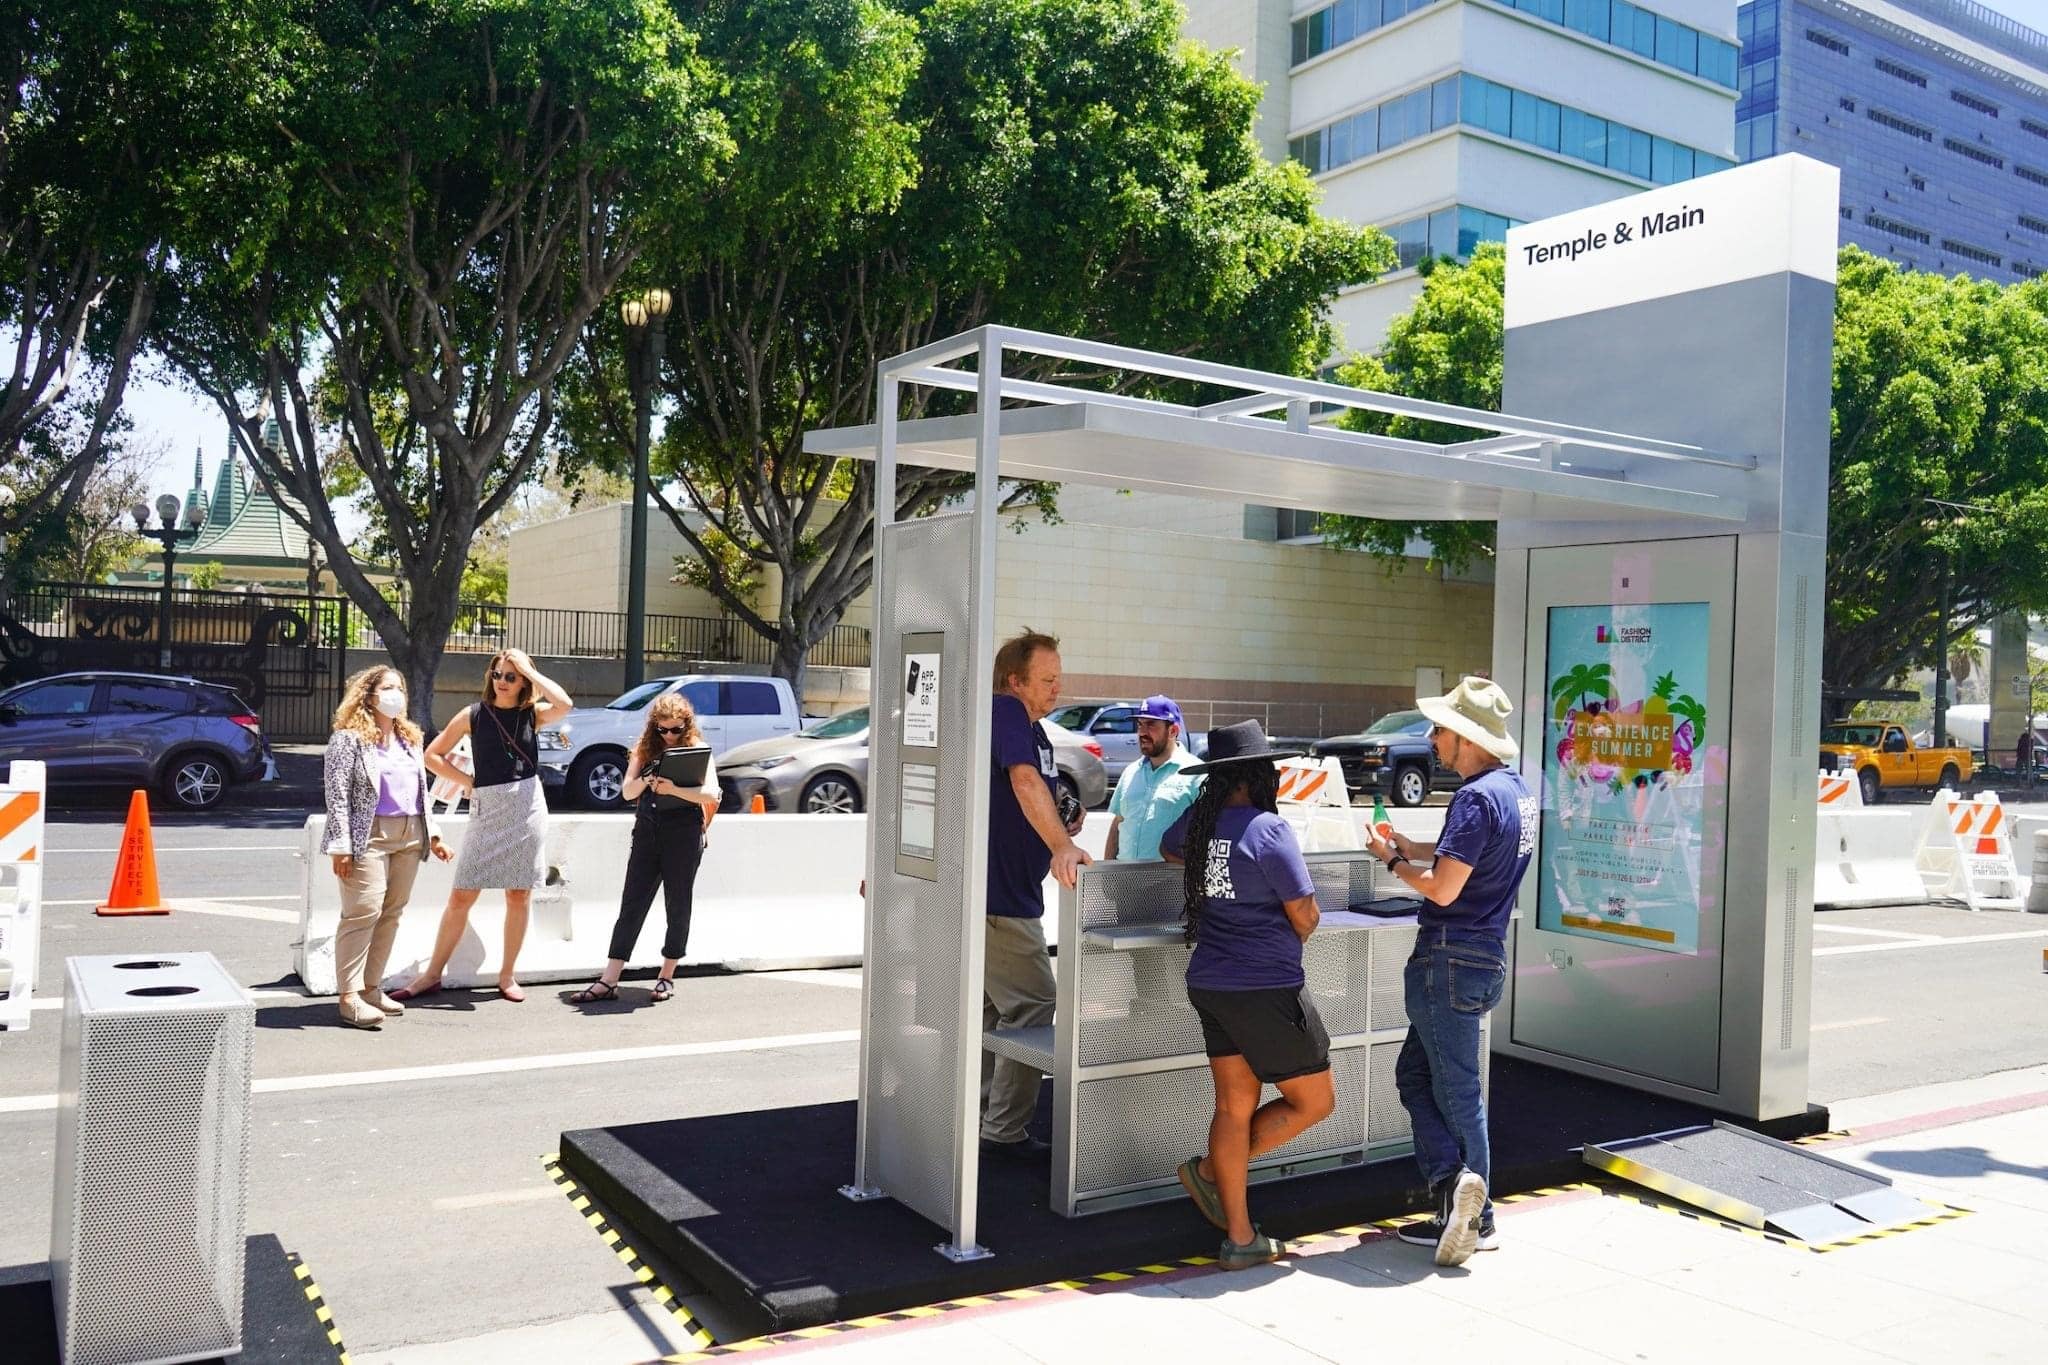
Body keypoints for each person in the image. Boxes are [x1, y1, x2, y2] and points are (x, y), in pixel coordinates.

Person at [1364, 676, 1536, 1268]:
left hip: (1448, 958)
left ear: (1465, 737)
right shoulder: (1517, 793)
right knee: (1418, 1076)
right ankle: (1452, 1193)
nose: (1433, 740)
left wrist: (1389, 859)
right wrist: (1412, 846)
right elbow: (1468, 861)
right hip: (1485, 956)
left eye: (1439, 729)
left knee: (1456, 1090)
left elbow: (1443, 888)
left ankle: (1475, 1211)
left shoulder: (1473, 798)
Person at [1159, 720, 1336, 1270]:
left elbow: (1170, 849)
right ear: (1261, 774)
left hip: (1211, 982)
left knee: (1234, 1107)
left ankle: (1240, 1237)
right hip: (1266, 987)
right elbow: (1304, 913)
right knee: (1316, 1101)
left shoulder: (1201, 822)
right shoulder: (1269, 830)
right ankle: (1211, 1171)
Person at [394, 648, 573, 1003]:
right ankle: (432, 975)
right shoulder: (473, 714)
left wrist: (531, 672)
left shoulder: (531, 714)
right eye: (497, 674)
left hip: (527, 806)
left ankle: (507, 975)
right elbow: (431, 756)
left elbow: (564, 704)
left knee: (519, 894)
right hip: (487, 807)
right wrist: (465, 781)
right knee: (462, 894)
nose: (502, 682)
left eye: (511, 676)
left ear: (523, 681)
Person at [982, 628, 1091, 1159]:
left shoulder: (1033, 729)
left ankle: (981, 1118)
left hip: (1004, 894)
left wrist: (1061, 827)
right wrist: (1062, 845)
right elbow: (1025, 783)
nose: (1057, 690)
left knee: (990, 1012)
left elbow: (1032, 792)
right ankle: (1004, 1131)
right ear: (1014, 680)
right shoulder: (1005, 711)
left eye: (1058, 680)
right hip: (1002, 899)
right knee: (1033, 1005)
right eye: (1047, 680)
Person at [569, 693, 721, 1004]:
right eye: (662, 729)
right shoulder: (644, 750)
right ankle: (609, 978)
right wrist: (647, 778)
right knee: (632, 903)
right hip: (649, 829)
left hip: (684, 831)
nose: (669, 735)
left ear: (686, 726)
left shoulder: (697, 750)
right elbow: (626, 791)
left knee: (678, 904)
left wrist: (675, 789)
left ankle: (666, 975)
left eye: (675, 729)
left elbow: (711, 793)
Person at [322, 666, 451, 1029]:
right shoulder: (348, 739)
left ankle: (371, 987)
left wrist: (434, 834)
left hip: (410, 833)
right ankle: (348, 997)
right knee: (363, 910)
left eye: (400, 687)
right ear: (369, 695)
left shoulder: (411, 737)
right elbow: (337, 795)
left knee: (392, 911)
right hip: (370, 835)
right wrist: (341, 845)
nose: (396, 694)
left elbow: (421, 792)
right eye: (387, 688)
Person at [1104, 695, 1201, 861]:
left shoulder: (1196, 774)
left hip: (1167, 883)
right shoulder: (1130, 772)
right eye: (1140, 724)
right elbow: (1118, 824)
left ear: (1173, 731)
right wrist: (1106, 871)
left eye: (1151, 725)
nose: (1142, 732)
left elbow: (1205, 834)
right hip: (1122, 881)